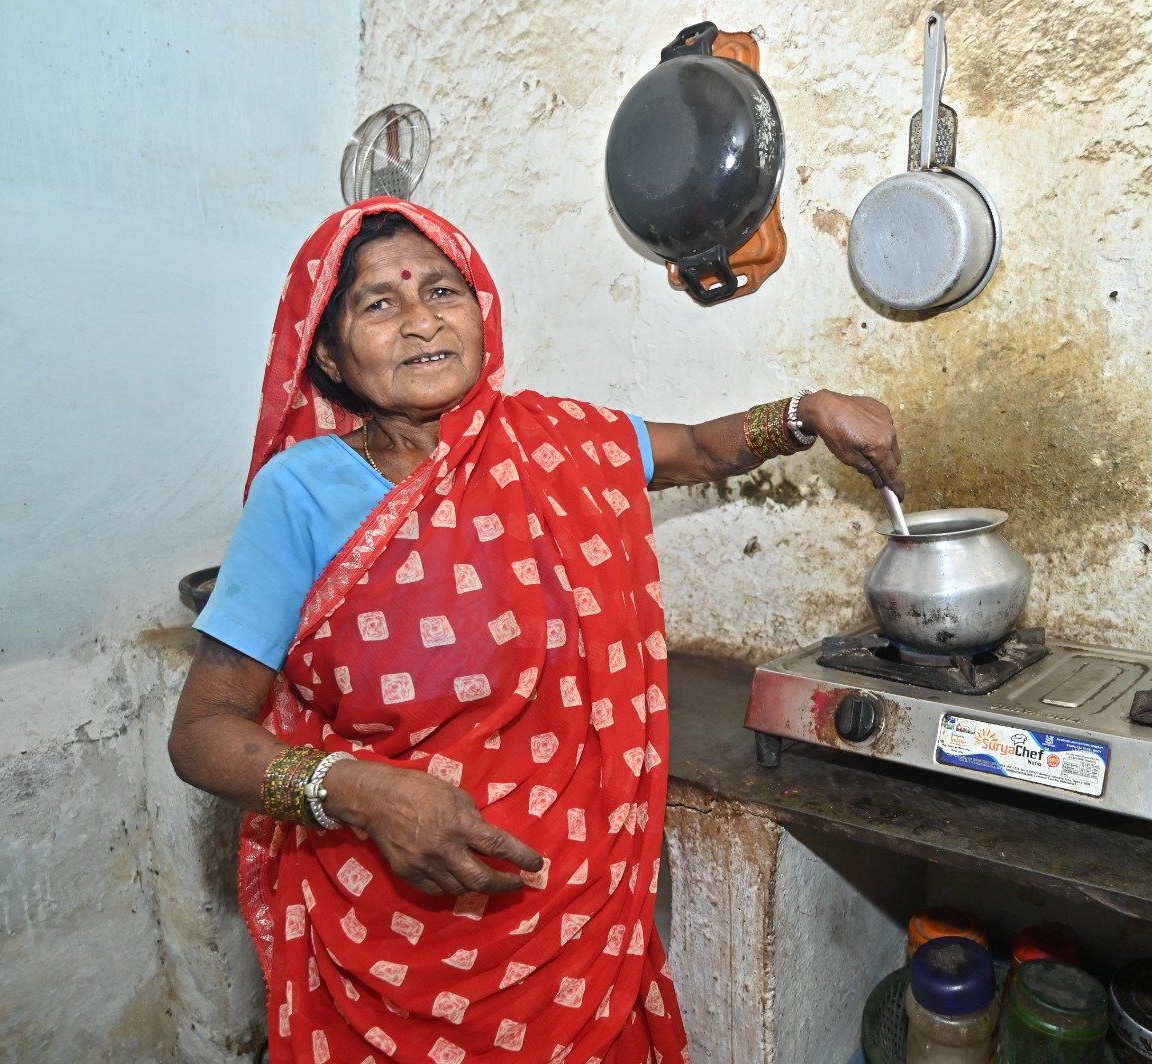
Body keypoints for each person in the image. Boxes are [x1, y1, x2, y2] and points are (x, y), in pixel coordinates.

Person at [168, 197, 903, 1064]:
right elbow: (202, 733)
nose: (421, 321)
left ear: (481, 310)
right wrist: (364, 794)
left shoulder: (550, 442)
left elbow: (700, 451)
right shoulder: (299, 495)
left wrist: (808, 411)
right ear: (328, 353)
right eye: (379, 303)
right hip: (388, 928)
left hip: (570, 910)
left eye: (442, 290)